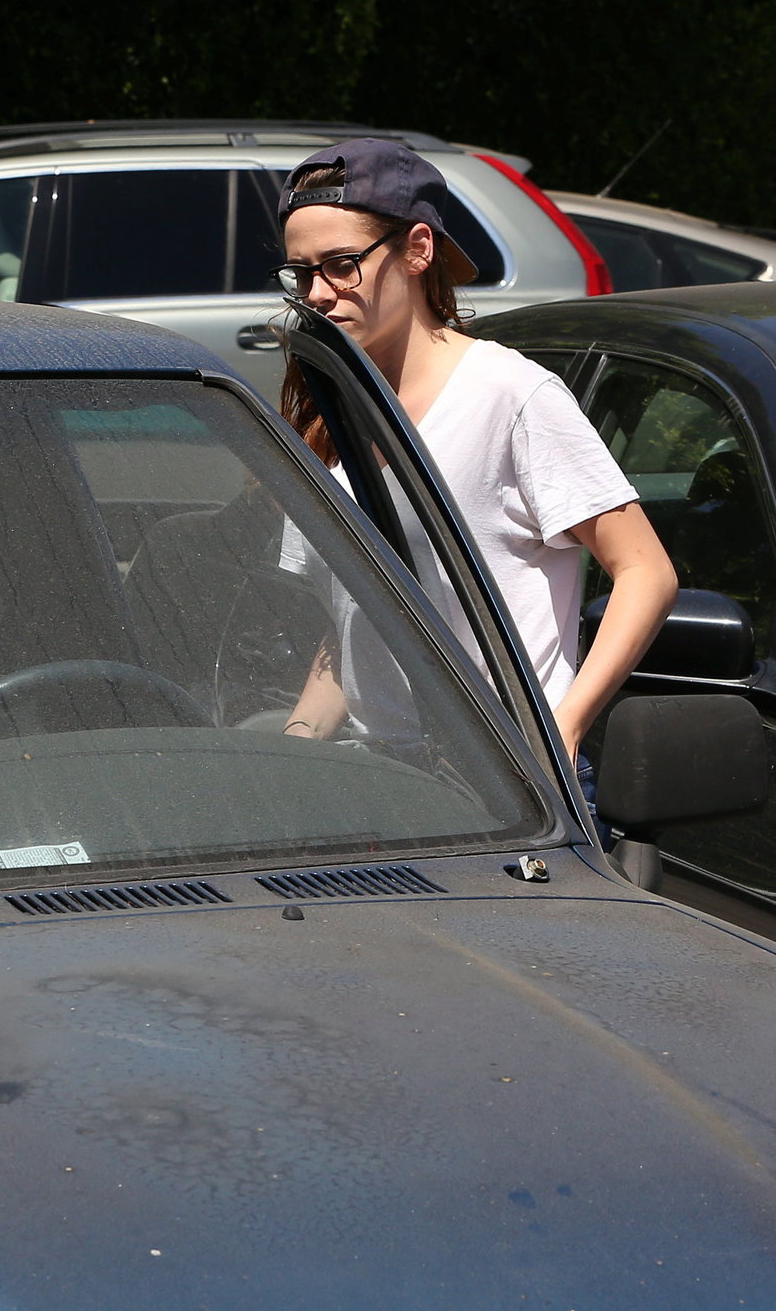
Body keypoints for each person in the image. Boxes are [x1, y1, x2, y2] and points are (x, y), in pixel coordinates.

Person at [272, 138, 677, 815]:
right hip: (379, 785)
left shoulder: (509, 395)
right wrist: (294, 745)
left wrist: (559, 732)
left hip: (506, 784)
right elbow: (359, 622)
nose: (316, 295)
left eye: (341, 265)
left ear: (418, 250)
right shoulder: (330, 412)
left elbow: (647, 574)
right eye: (300, 273)